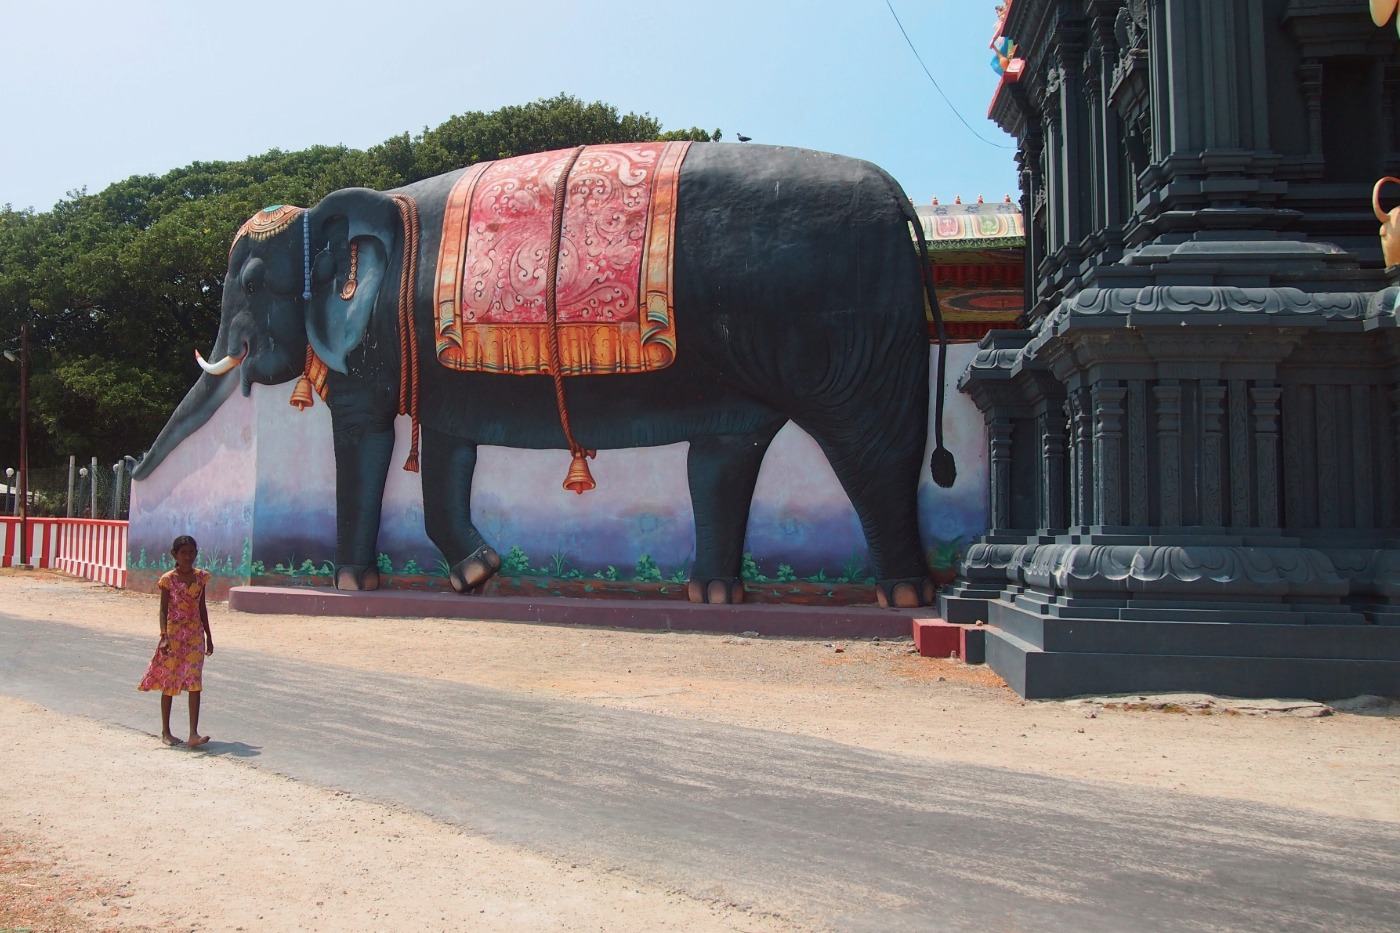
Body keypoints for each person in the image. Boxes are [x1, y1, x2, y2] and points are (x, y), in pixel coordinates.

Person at [137, 535, 214, 747]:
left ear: (196, 553)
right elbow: (163, 610)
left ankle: (193, 734)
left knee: (195, 681)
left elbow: (202, 608)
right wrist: (163, 636)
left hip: (195, 635)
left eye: (192, 552)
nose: (188, 557)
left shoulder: (202, 578)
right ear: (175, 555)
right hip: (173, 636)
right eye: (184, 553)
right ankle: (166, 731)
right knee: (169, 681)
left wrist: (209, 636)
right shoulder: (168, 580)